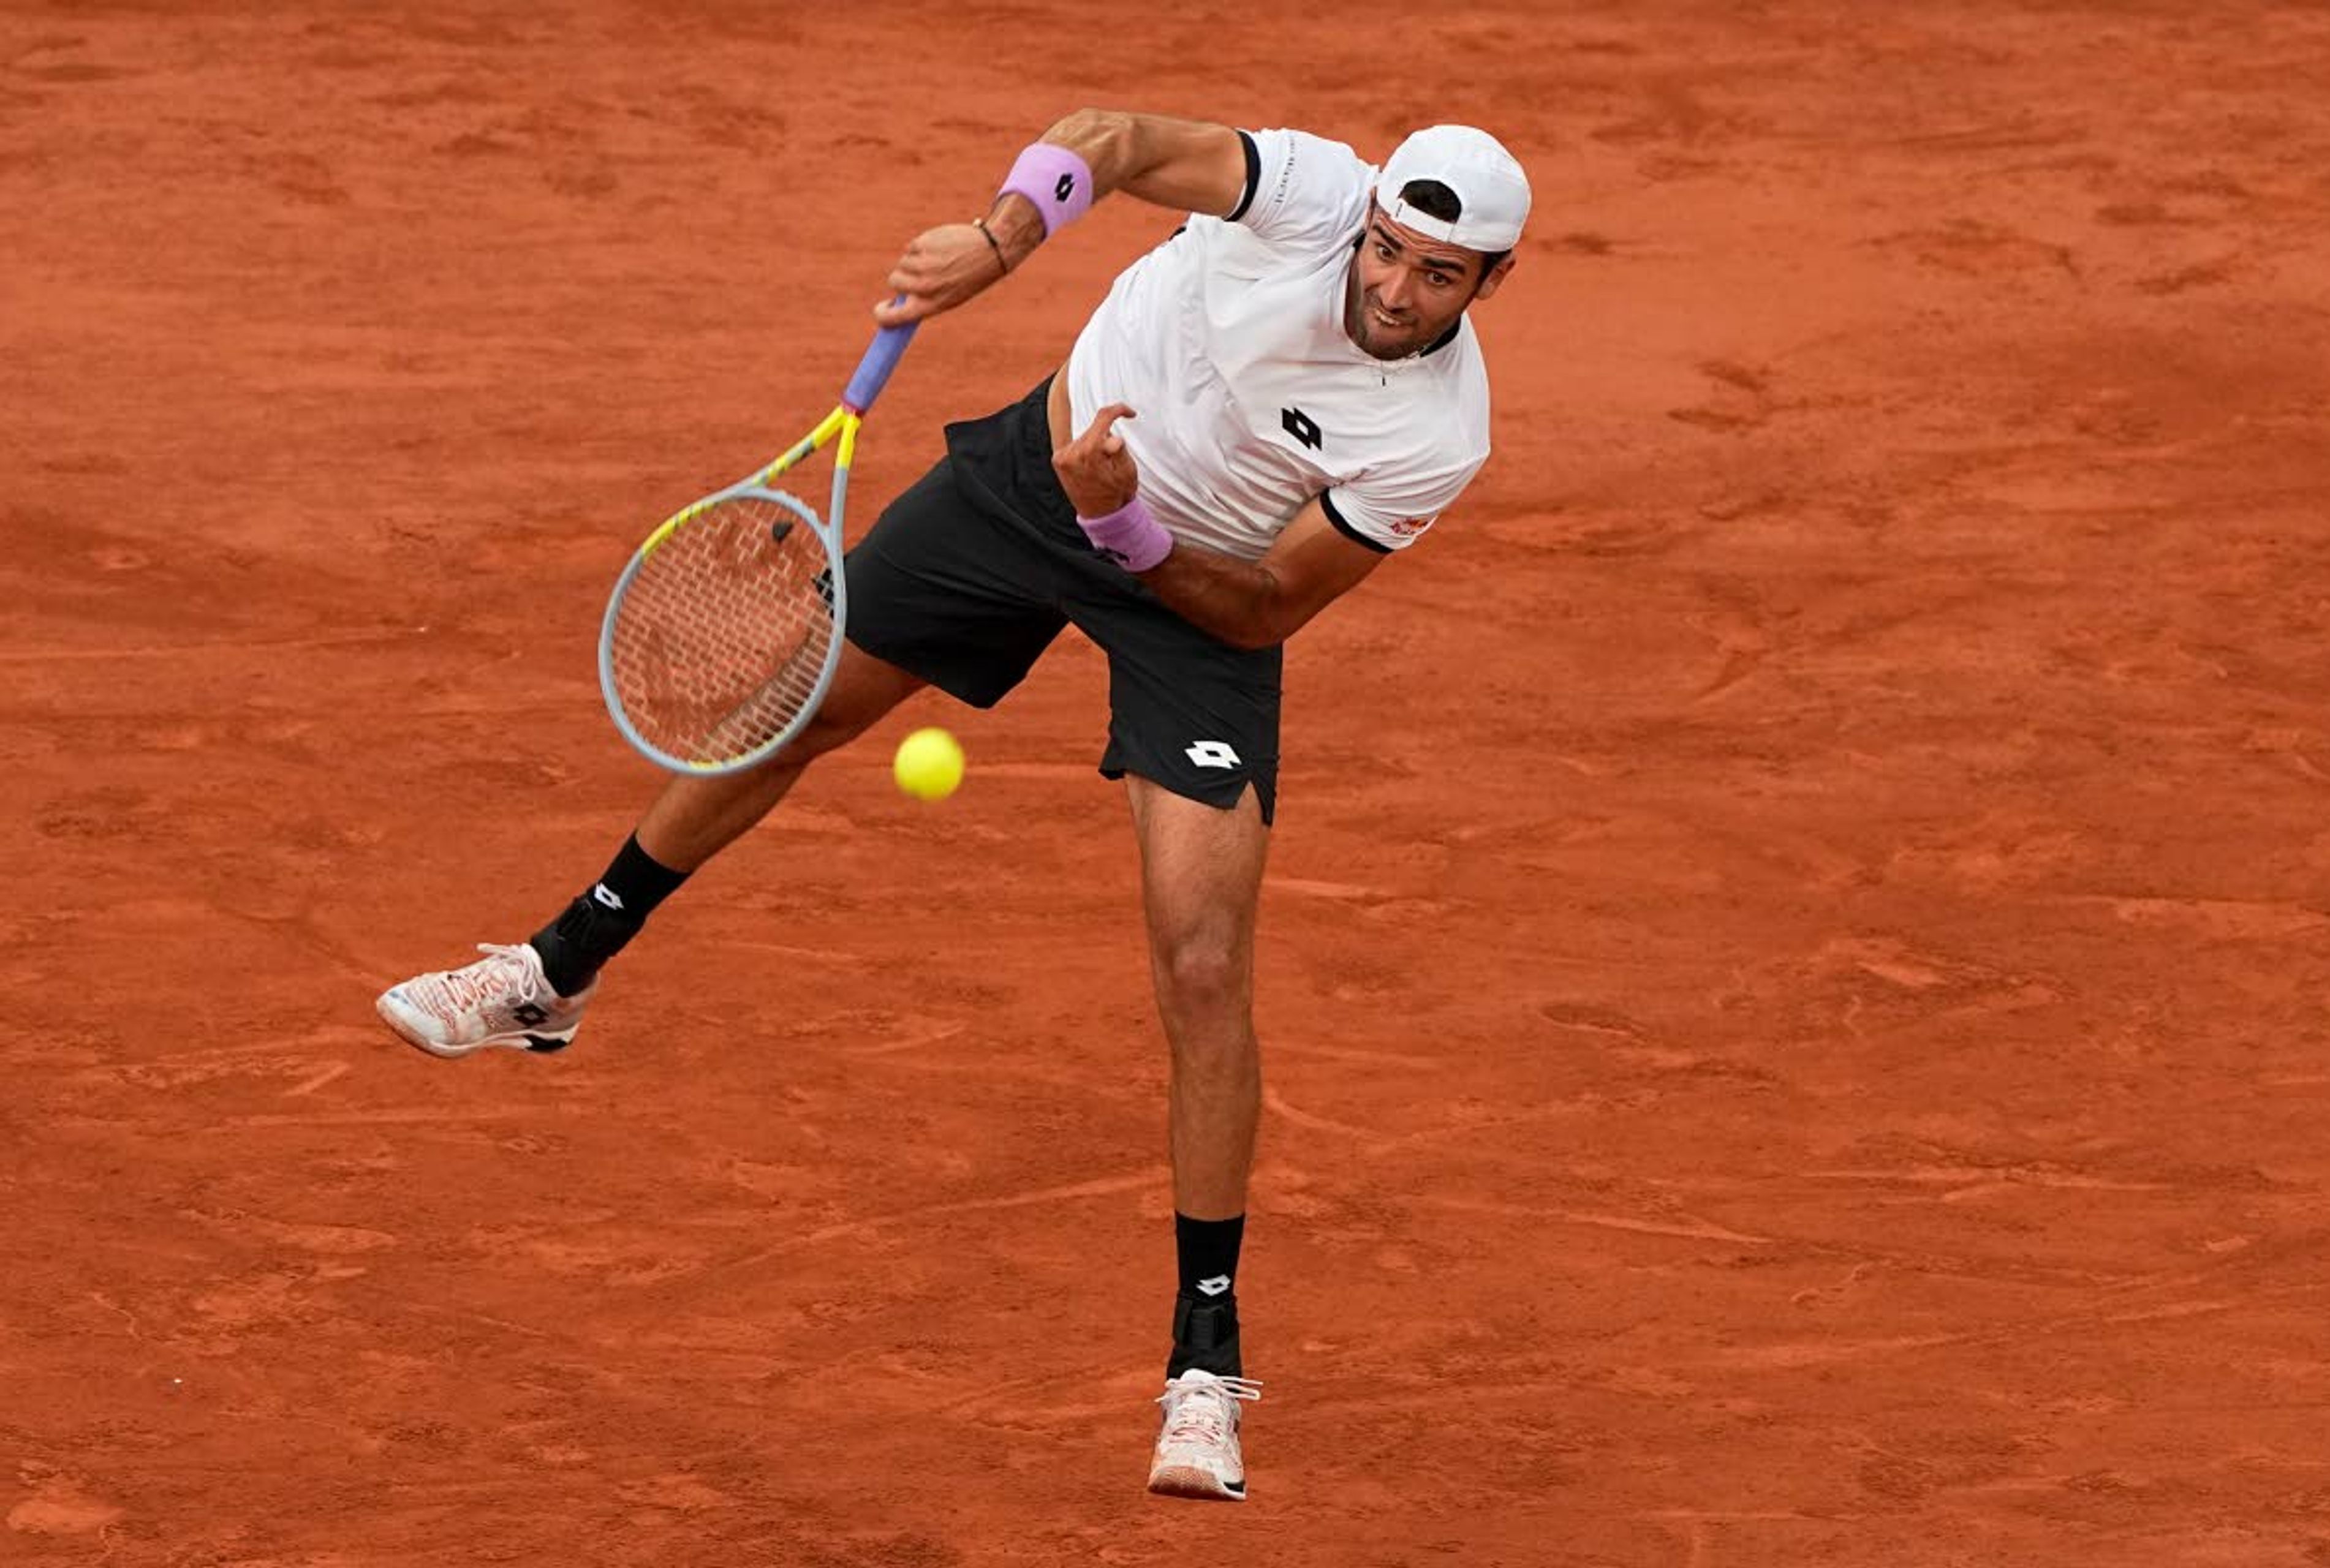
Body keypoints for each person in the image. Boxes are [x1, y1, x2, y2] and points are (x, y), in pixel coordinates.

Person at [376, 110, 1529, 1503]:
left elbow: (1270, 600)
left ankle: (1203, 1366)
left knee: (1206, 961)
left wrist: (1129, 530)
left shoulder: (1437, 433)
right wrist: (1000, 240)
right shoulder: (1304, 194)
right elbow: (1108, 138)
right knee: (795, 709)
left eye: (1436, 278)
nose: (1396, 290)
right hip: (1028, 486)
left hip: (1192, 588)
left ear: (1486, 288)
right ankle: (553, 971)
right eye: (1389, 254)